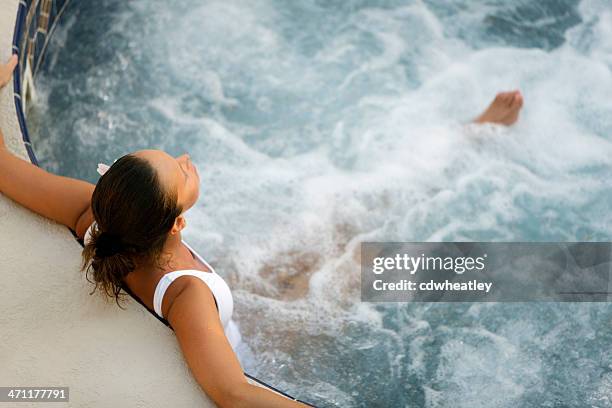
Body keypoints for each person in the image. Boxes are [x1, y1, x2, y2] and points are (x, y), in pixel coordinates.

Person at [0, 54, 523, 407]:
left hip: (246, 303)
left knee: (339, 225)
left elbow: (3, 166)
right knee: (367, 265)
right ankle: (534, 262)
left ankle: (466, 141)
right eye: (181, 172)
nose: (186, 159)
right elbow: (231, 390)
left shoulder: (94, 214)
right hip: (272, 344)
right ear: (178, 222)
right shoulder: (185, 295)